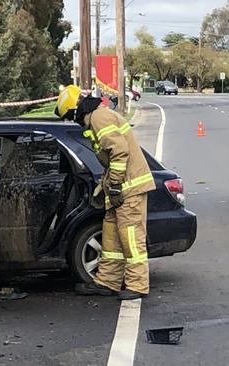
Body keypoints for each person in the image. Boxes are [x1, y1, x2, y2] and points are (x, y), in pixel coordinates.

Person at [55, 85, 156, 301]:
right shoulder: (96, 118)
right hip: (119, 190)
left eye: (71, 116)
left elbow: (120, 152)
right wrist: (107, 185)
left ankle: (138, 285)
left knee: (130, 239)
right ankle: (107, 281)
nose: (74, 122)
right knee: (111, 238)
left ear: (76, 110)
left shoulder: (100, 118)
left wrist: (117, 185)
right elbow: (110, 160)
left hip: (130, 189)